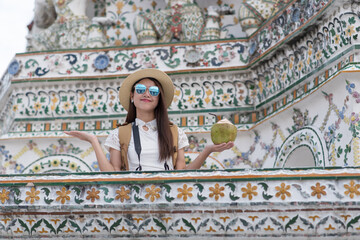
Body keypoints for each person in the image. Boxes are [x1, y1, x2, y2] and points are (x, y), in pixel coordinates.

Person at [65, 69, 234, 171]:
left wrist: (208, 150)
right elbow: (112, 173)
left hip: (168, 201)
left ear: (159, 98)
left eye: (153, 91)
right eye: (140, 89)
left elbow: (182, 173)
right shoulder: (120, 134)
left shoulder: (174, 132)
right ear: (132, 96)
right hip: (134, 202)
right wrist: (93, 141)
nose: (146, 94)